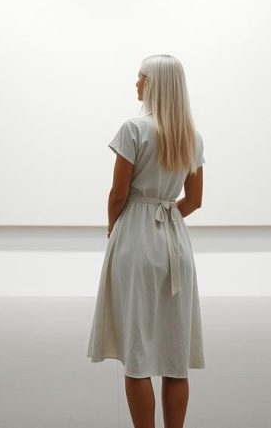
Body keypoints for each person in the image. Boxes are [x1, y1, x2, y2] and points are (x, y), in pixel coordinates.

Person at [87, 54, 205, 428]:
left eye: (140, 76)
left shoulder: (134, 130)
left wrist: (115, 229)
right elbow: (194, 200)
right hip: (175, 245)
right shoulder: (191, 137)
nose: (135, 82)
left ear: (152, 84)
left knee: (137, 356)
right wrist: (165, 218)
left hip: (136, 244)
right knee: (175, 358)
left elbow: (118, 194)